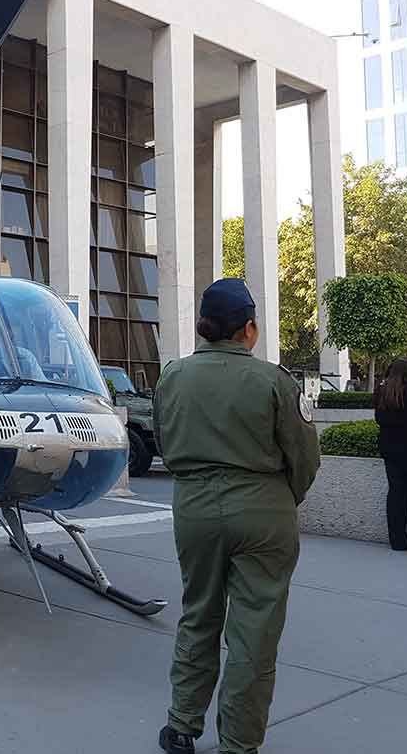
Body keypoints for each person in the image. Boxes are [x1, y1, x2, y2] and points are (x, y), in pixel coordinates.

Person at [153, 278, 320, 754]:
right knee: (254, 631)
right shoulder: (274, 380)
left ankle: (182, 724)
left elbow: (165, 443)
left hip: (195, 507)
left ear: (205, 328)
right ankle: (239, 744)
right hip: (264, 508)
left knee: (198, 613)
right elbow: (304, 457)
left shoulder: (173, 376)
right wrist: (282, 498)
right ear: (249, 328)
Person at [374, 358, 407, 550]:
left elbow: (379, 419)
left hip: (390, 449)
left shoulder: (381, 392)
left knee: (396, 493)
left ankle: (398, 541)